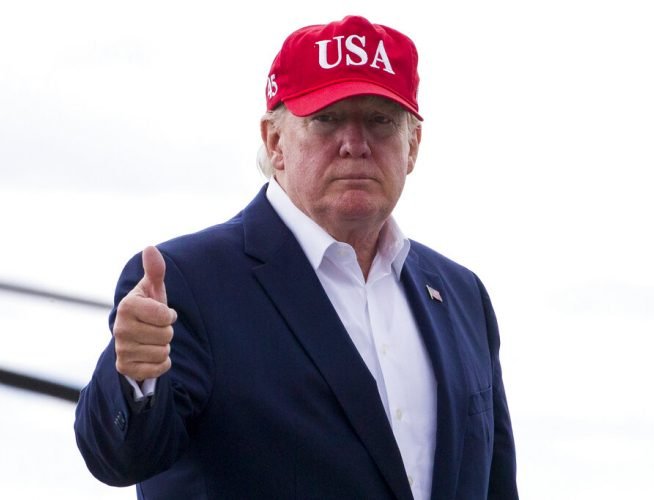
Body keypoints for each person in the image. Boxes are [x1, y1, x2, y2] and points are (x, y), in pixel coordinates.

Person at [74, 15, 518, 500]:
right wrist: (134, 376)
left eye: (380, 120)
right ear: (274, 141)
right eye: (326, 119)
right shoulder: (187, 284)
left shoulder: (461, 295)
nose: (355, 144)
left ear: (412, 145)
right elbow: (120, 457)